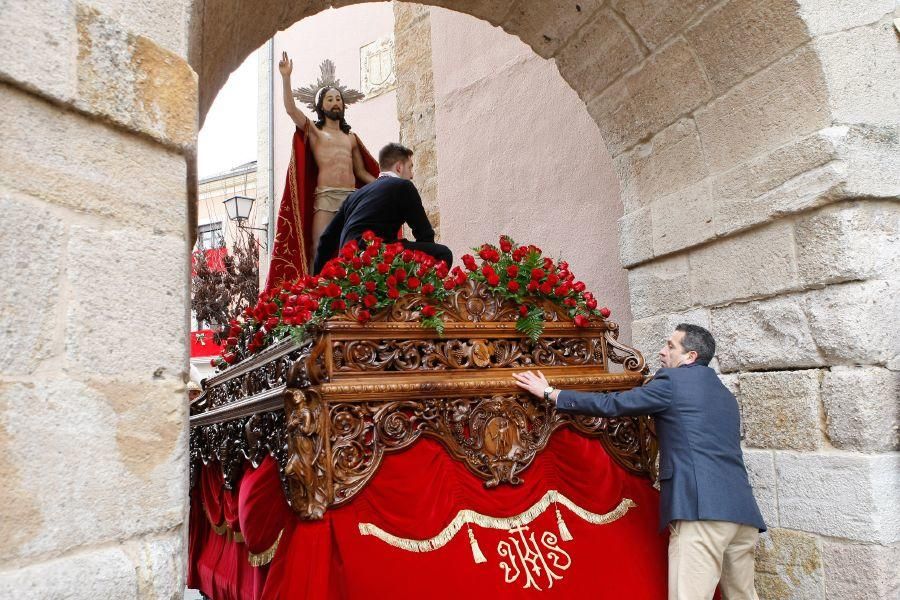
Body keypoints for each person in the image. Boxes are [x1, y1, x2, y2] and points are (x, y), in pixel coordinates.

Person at [513, 324, 765, 600]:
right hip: (743, 514)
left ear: (690, 357)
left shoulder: (672, 382)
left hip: (700, 510)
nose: (662, 351)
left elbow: (613, 405)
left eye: (670, 346)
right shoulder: (725, 395)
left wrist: (552, 393)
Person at [266, 52, 379, 289]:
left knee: (353, 250)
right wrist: (286, 78)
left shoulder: (351, 139)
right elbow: (290, 109)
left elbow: (361, 173)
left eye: (338, 99)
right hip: (325, 199)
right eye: (329, 99)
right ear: (320, 106)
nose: (335, 102)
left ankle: (348, 296)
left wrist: (385, 184)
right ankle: (315, 298)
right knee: (318, 247)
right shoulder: (315, 133)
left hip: (351, 200)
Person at [312, 143, 453, 273]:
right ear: (399, 167)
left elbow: (326, 239)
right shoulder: (403, 186)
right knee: (443, 253)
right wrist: (426, 267)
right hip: (374, 258)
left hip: (346, 266)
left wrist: (317, 281)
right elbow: (424, 234)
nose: (411, 175)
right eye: (410, 167)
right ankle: (420, 298)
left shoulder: (355, 196)